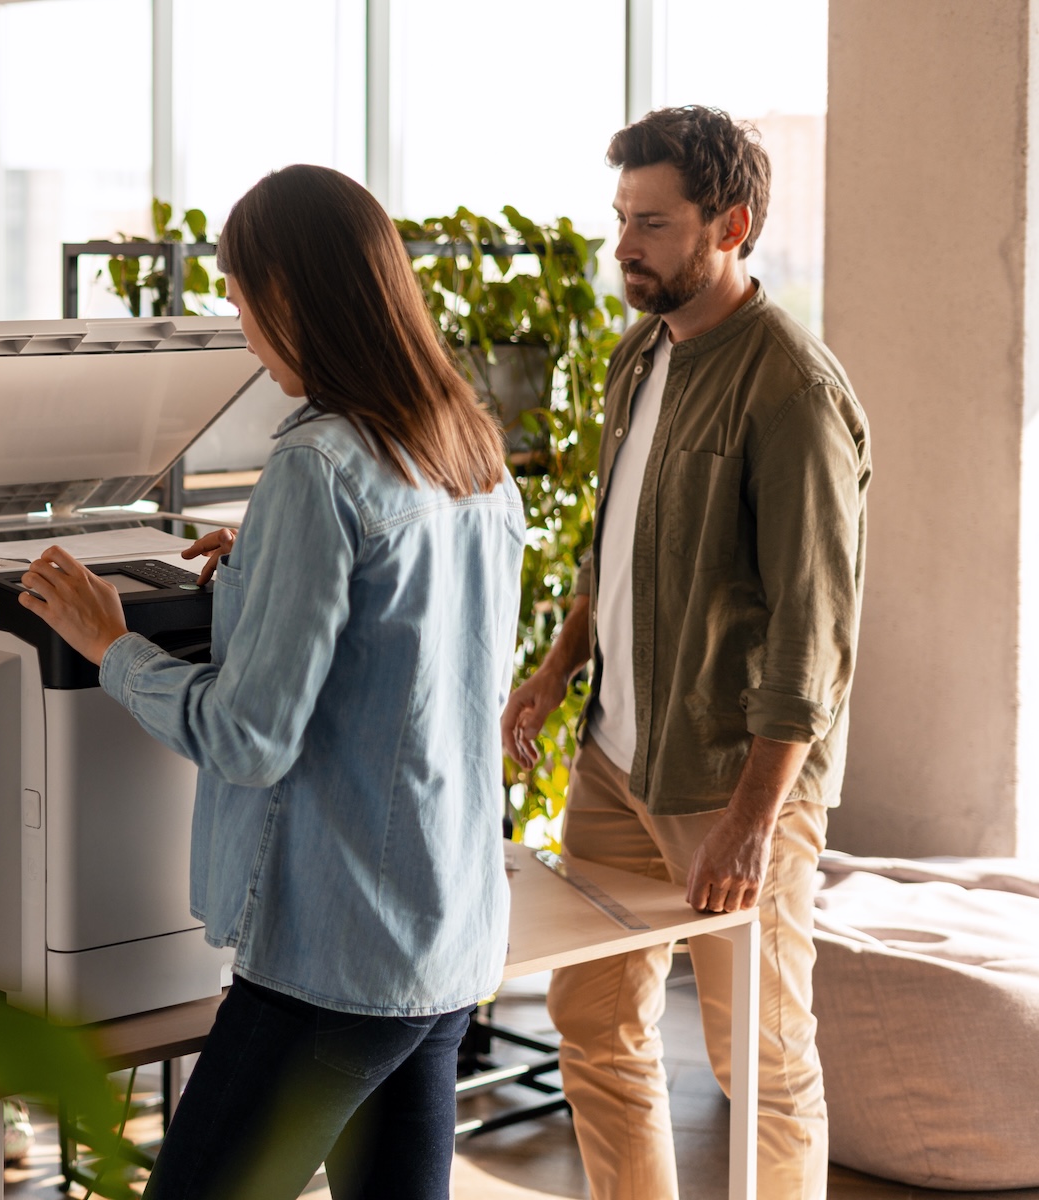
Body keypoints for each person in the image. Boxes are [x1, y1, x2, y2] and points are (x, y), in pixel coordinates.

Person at [18, 164, 525, 1200]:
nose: (239, 325)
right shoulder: (466, 445)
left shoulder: (317, 467)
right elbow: (415, 650)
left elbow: (252, 737)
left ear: (291, 297)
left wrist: (110, 643)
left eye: (242, 297)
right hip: (447, 938)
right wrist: (261, 562)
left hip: (330, 959)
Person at [501, 107, 869, 1199]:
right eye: (621, 218)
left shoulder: (793, 390)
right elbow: (612, 553)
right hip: (618, 761)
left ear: (733, 223)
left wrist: (756, 822)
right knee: (597, 1025)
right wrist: (555, 669)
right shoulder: (636, 355)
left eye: (653, 223)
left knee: (756, 1051)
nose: (625, 245)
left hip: (730, 780)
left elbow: (816, 628)